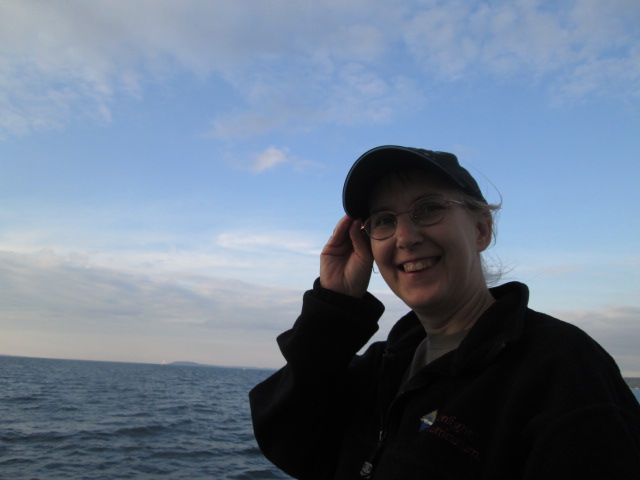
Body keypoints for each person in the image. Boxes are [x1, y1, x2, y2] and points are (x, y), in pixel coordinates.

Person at [249, 145, 640, 479]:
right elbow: (292, 446)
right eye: (384, 220)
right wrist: (334, 308)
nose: (405, 238)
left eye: (429, 208)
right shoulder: (386, 366)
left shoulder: (562, 369)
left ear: (481, 230)